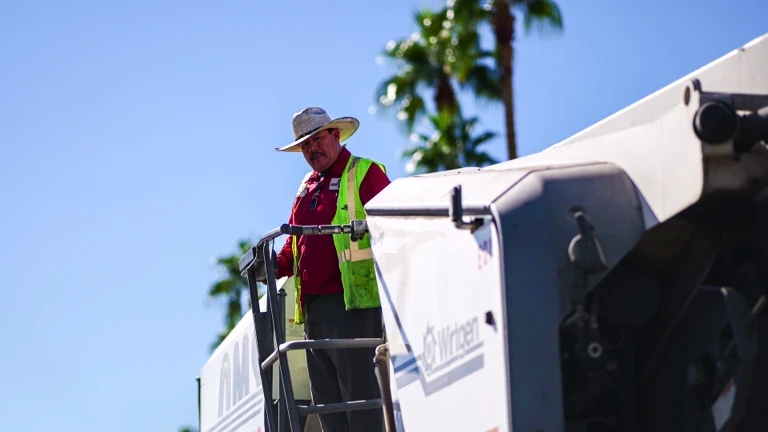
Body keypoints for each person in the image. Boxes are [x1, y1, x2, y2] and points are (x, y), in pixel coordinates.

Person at [273, 106, 390, 432]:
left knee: (359, 396)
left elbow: (391, 228)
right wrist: (275, 265)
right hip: (313, 307)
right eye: (305, 145)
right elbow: (294, 242)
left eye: (317, 139)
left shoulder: (364, 173)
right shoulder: (306, 186)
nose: (312, 149)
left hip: (353, 301)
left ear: (335, 135)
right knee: (327, 401)